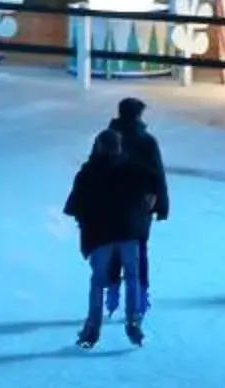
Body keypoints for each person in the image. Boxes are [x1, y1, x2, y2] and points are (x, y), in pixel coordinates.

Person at [66, 128, 162, 348]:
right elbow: (153, 183)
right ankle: (133, 323)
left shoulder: (88, 172)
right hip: (129, 233)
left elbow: (75, 206)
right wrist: (143, 213)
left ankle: (92, 329)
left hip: (101, 236)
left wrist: (85, 223)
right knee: (132, 277)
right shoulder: (133, 170)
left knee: (98, 282)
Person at [108, 97, 172, 301]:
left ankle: (113, 289)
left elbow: (96, 170)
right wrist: (162, 205)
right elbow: (158, 174)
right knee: (139, 247)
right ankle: (140, 294)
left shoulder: (108, 138)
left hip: (113, 201)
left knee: (114, 245)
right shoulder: (146, 141)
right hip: (140, 202)